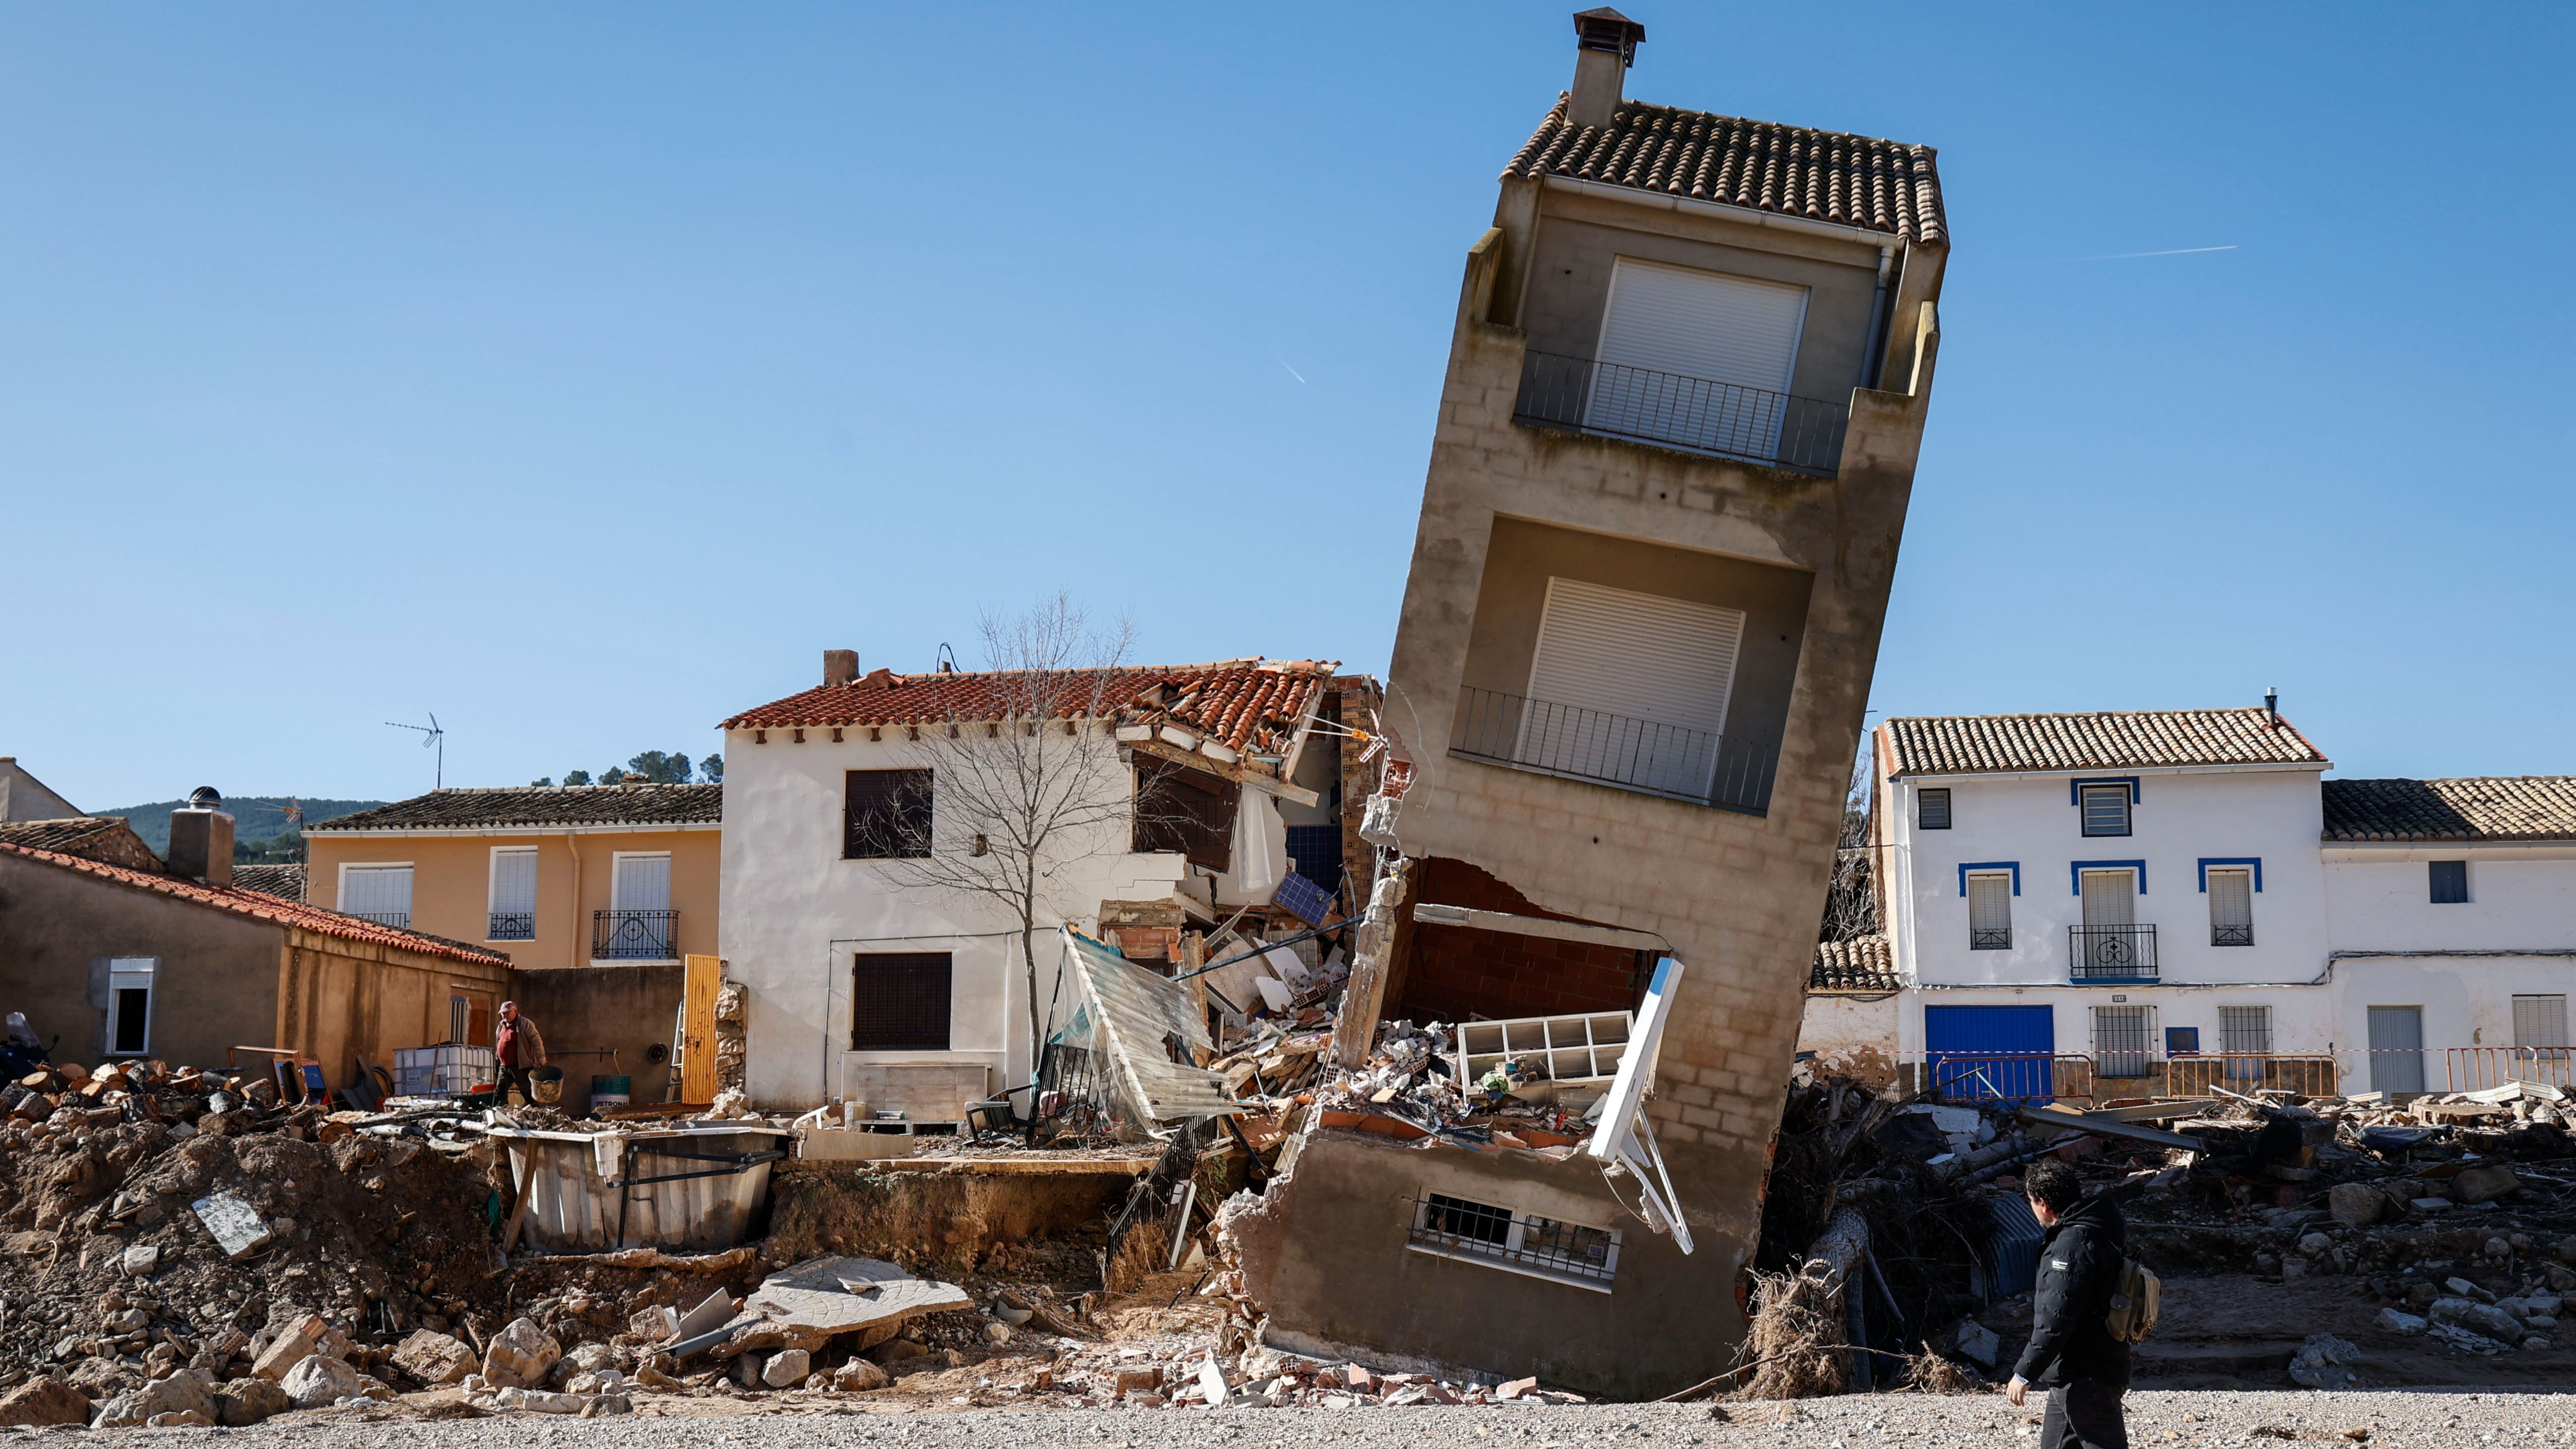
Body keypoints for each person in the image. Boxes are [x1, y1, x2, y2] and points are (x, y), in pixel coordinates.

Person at [2006, 1156, 2130, 1449]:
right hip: (2077, 1369)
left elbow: (2056, 1316)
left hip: (2086, 1370)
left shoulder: (2071, 1244)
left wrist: (2024, 1373)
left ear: (2044, 1204)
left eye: (2031, 1201)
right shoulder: (2097, 1228)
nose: (2031, 1207)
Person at [494, 1000, 548, 1107]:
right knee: (500, 1092)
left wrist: (541, 1057)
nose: (505, 1016)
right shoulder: (501, 1026)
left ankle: (536, 1111)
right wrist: (497, 1062)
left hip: (520, 1066)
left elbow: (536, 1041)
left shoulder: (525, 1024)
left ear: (515, 1011)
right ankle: (500, 1113)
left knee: (526, 1092)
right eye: (503, 1013)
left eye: (507, 1013)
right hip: (504, 1066)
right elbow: (499, 1045)